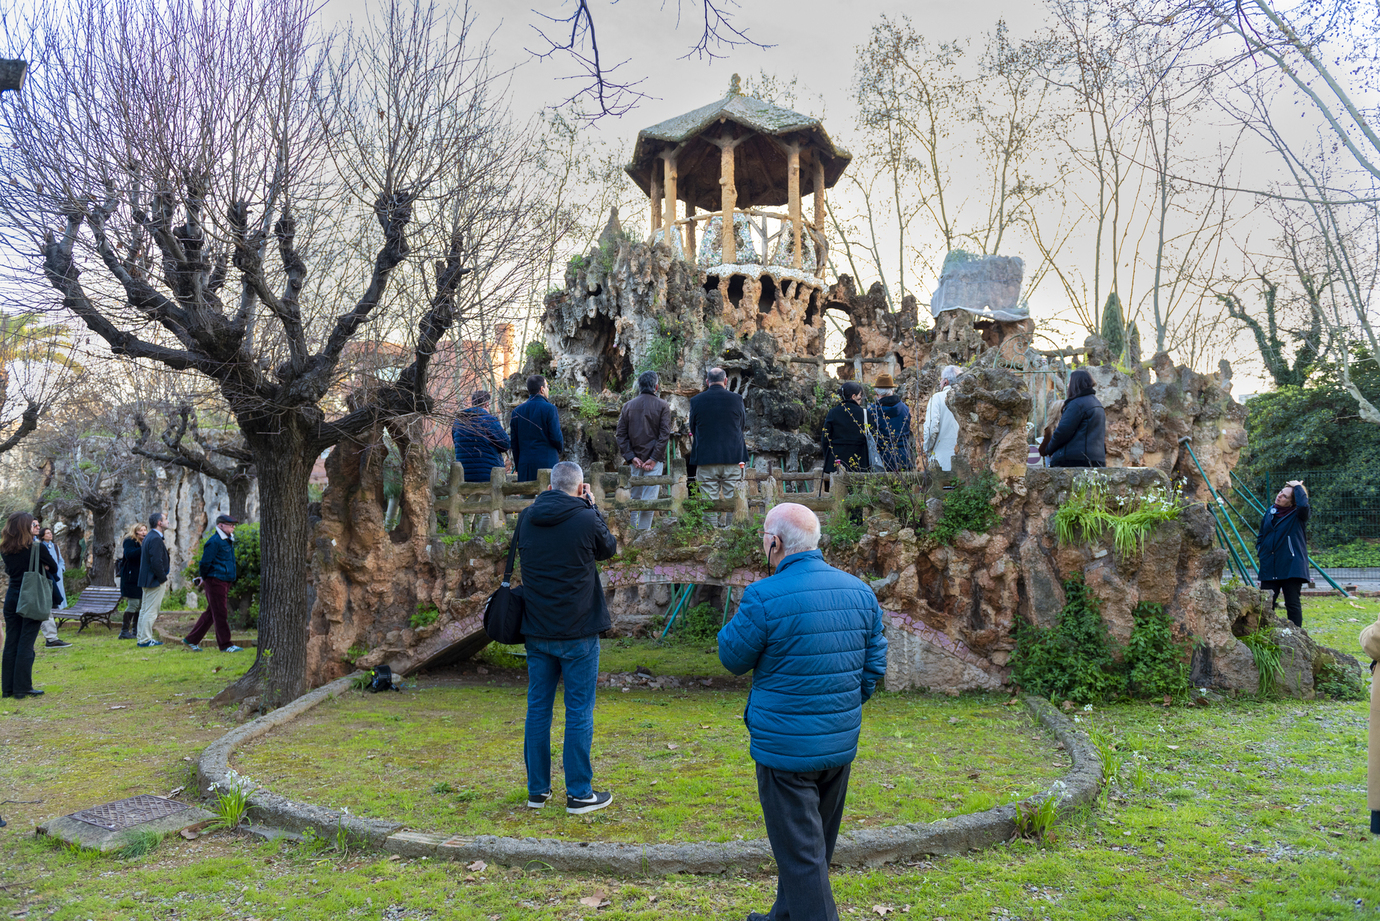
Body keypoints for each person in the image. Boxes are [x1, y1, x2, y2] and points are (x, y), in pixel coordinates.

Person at [717, 503, 888, 921]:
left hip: (785, 752)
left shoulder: (763, 595)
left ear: (774, 542)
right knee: (811, 852)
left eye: (763, 536)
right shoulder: (860, 591)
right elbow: (874, 666)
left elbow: (732, 656)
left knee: (803, 857)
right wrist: (842, 707)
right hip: (838, 742)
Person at [517, 461, 619, 814]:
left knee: (537, 710)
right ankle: (578, 793)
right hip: (578, 629)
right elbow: (609, 549)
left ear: (548, 488)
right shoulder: (586, 517)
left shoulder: (526, 518)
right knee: (578, 710)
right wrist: (591, 507)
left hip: (536, 628)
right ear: (580, 488)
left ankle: (537, 791)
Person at [2, 512, 60, 699]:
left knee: (11, 642)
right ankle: (23, 687)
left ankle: (8, 688)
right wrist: (44, 566)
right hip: (31, 597)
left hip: (12, 597)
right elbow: (54, 566)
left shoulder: (5, 548)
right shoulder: (37, 548)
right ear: (24, 526)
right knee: (26, 643)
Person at [687, 367, 747, 526]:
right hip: (733, 456)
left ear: (707, 382)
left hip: (706, 457)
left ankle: (710, 535)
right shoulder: (737, 399)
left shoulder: (696, 400)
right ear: (726, 381)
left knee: (708, 500)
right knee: (733, 499)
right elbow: (741, 426)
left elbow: (693, 428)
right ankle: (732, 534)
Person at [615, 370, 673, 530]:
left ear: (639, 386)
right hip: (653, 463)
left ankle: (632, 533)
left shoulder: (628, 406)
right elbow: (664, 435)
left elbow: (620, 435)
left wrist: (631, 456)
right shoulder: (663, 406)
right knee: (649, 499)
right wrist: (654, 458)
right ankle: (644, 534)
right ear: (656, 386)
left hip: (636, 462)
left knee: (634, 497)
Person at [183, 514, 244, 653]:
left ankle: (191, 640)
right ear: (221, 525)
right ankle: (226, 645)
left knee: (212, 612)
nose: (233, 527)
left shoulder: (227, 540)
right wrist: (205, 578)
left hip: (224, 580)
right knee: (221, 612)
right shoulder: (215, 541)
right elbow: (204, 563)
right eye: (230, 525)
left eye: (234, 525)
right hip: (216, 581)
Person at [1257, 480, 1310, 629]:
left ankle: (1296, 635)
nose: (1280, 496)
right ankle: (1265, 634)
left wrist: (1298, 487)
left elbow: (1304, 507)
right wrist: (1261, 550)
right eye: (1280, 492)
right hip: (1270, 565)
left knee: (1292, 604)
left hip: (1291, 566)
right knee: (1266, 603)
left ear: (1293, 502)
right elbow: (1262, 534)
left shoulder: (1298, 515)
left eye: (1285, 496)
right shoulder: (1270, 512)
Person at [1040, 368, 1106, 468]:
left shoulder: (1077, 404)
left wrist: (1048, 449)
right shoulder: (1097, 404)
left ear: (1076, 383)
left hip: (1075, 460)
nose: (1067, 385)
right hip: (1096, 459)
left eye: (1069, 382)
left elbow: (1063, 431)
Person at [510, 374, 564, 482]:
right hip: (547, 462)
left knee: (526, 496)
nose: (548, 389)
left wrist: (519, 464)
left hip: (525, 465)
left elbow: (514, 443)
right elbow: (556, 437)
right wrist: (560, 448)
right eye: (547, 387)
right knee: (548, 496)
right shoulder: (550, 409)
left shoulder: (517, 411)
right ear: (542, 389)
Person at [452, 390, 510, 482]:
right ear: (487, 404)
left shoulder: (458, 422)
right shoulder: (488, 420)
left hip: (464, 476)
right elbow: (506, 444)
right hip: (488, 476)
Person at [136, 512, 171, 648]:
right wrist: (162, 578)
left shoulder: (150, 536)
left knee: (145, 609)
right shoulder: (155, 538)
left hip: (147, 579)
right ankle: (145, 640)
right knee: (151, 610)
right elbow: (156, 562)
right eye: (165, 519)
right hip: (154, 580)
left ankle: (142, 638)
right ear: (159, 523)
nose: (167, 521)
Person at [821, 380, 870, 477]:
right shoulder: (865, 414)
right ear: (853, 396)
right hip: (860, 460)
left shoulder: (833, 412)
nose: (860, 401)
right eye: (859, 398)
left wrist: (828, 455)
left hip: (836, 460)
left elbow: (825, 438)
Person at [869, 373, 913, 472]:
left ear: (876, 393)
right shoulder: (906, 409)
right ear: (893, 390)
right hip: (904, 458)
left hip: (881, 460)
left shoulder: (872, 411)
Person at [923, 365, 963, 472]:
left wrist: (927, 449)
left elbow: (931, 428)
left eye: (941, 380)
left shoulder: (937, 398)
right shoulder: (965, 398)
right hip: (963, 460)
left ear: (945, 382)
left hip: (941, 460)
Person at [37, 526, 71, 649]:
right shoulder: (40, 546)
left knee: (58, 594)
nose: (50, 535)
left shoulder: (55, 547)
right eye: (47, 533)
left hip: (56, 575)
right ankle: (51, 638)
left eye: (51, 533)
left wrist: (60, 569)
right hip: (47, 575)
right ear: (42, 535)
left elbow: (60, 560)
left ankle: (52, 637)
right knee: (47, 604)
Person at [116, 522, 147, 639]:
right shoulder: (129, 541)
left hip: (140, 578)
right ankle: (124, 631)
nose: (144, 532)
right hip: (130, 578)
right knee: (133, 604)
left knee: (139, 605)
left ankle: (135, 630)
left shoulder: (143, 542)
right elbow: (130, 555)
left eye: (145, 530)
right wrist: (143, 547)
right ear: (135, 531)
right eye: (141, 530)